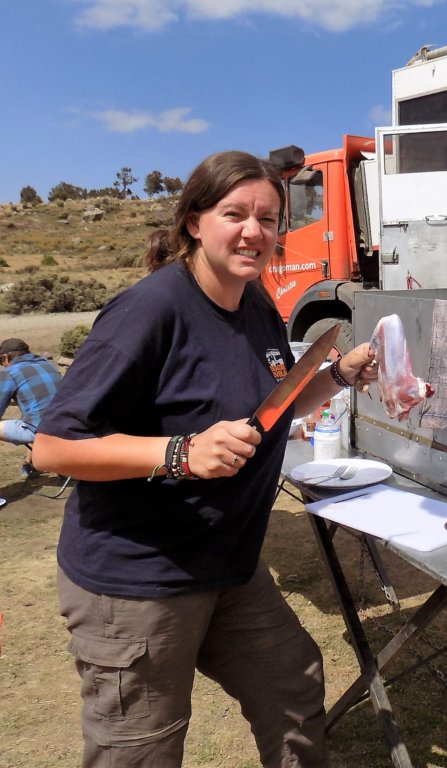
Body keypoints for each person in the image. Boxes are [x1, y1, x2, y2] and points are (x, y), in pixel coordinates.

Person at [32, 150, 378, 768]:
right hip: (139, 580)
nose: (255, 231)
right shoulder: (150, 311)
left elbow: (273, 410)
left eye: (269, 219)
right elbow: (54, 447)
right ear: (194, 221)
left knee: (291, 684)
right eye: (235, 214)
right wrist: (181, 453)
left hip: (227, 566)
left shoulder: (254, 304)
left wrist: (340, 375)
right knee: (140, 750)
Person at [0, 336, 62, 484]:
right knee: (38, 418)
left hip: (41, 429)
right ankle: (31, 464)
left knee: (33, 424)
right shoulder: (48, 366)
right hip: (66, 426)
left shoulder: (10, 372)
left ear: (6, 357)